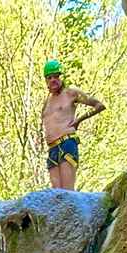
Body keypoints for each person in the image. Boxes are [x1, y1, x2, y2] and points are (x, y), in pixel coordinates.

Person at [40, 59, 106, 192]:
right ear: (46, 81)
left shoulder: (71, 93)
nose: (53, 80)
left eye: (56, 76)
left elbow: (99, 106)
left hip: (67, 143)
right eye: (49, 77)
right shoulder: (46, 101)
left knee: (67, 192)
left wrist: (79, 120)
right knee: (56, 195)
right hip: (52, 148)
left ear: (61, 77)